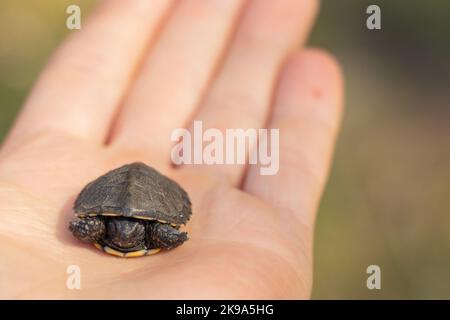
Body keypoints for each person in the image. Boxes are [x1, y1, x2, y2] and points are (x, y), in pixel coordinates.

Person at [0, 0, 343, 298]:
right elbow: (82, 223)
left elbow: (175, 233)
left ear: (143, 231)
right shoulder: (101, 227)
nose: (122, 231)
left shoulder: (154, 231)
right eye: (118, 227)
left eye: (128, 228)